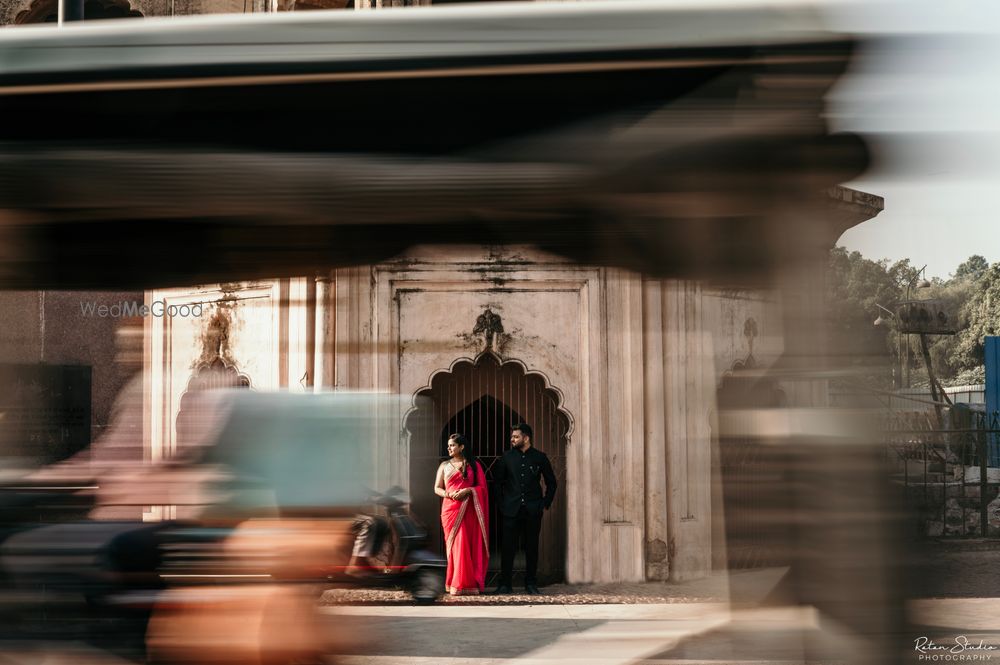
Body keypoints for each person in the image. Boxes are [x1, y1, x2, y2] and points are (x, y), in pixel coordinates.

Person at [490, 423, 557, 595]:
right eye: (512, 437)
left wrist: (544, 503)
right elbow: (497, 484)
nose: (512, 439)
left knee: (532, 547)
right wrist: (502, 504)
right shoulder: (506, 457)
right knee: (508, 547)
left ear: (526, 438)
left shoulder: (540, 457)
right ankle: (505, 584)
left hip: (533, 510)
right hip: (510, 510)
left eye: (516, 437)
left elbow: (552, 482)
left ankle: (531, 584)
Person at [434, 433, 489, 595]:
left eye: (452, 445)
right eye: (449, 445)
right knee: (456, 547)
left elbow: (483, 488)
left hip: (469, 510)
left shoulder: (474, 465)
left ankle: (469, 584)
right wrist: (449, 494)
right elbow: (437, 488)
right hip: (450, 510)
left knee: (467, 545)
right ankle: (455, 583)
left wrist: (468, 490)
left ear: (461, 447)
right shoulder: (444, 465)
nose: (449, 448)